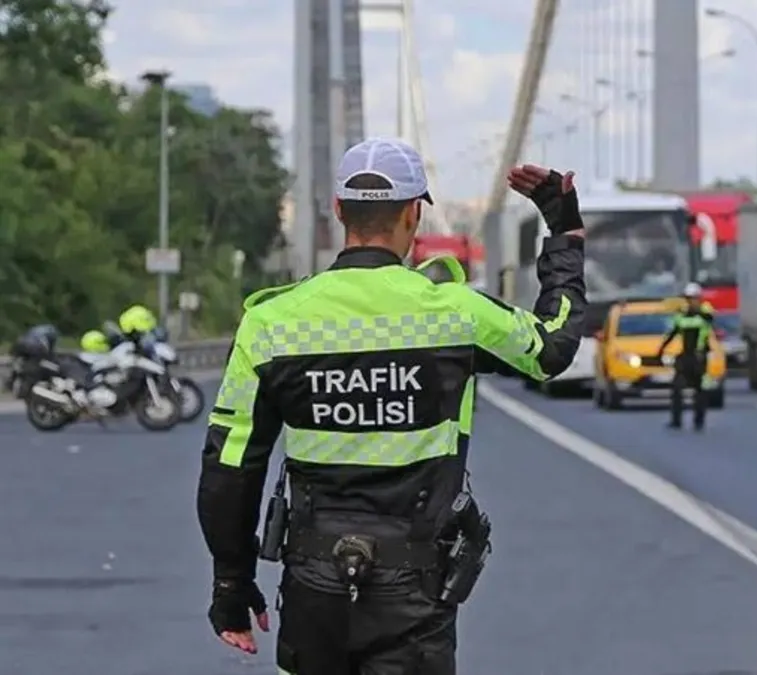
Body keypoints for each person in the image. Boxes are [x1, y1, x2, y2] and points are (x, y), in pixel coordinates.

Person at [196, 136, 587, 675]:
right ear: (413, 214)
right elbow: (552, 347)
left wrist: (231, 585)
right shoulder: (454, 313)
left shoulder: (271, 324)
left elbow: (229, 468)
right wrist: (563, 231)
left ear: (339, 211)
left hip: (313, 587)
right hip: (415, 591)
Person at [655, 282, 715, 431]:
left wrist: (697, 311)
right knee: (677, 388)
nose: (691, 301)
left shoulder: (705, 313)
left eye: (693, 298)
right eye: (688, 299)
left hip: (699, 357)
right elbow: (672, 333)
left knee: (700, 390)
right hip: (685, 356)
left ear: (699, 299)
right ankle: (676, 420)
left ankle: (699, 421)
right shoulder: (681, 316)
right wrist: (661, 350)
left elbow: (710, 318)